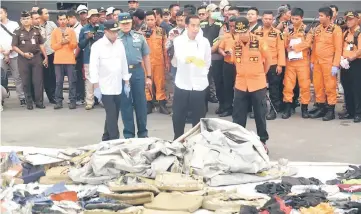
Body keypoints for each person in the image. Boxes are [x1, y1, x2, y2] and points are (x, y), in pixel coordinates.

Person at [231, 16, 271, 148]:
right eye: (239, 32)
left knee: (260, 114)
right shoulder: (235, 43)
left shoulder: (259, 41)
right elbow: (233, 61)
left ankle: (262, 141)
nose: (242, 35)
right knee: (238, 115)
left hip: (257, 83)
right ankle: (238, 140)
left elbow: (268, 60)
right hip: (241, 84)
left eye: (244, 32)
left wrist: (261, 74)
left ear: (249, 29)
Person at [89, 19, 131, 141]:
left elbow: (124, 63)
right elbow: (93, 67)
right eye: (112, 32)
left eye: (117, 32)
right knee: (112, 114)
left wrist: (126, 82)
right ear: (106, 31)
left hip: (117, 85)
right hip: (104, 87)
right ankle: (114, 140)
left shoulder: (119, 44)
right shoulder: (97, 46)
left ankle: (105, 137)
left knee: (114, 114)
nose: (115, 34)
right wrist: (95, 86)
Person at [172, 15, 211, 140]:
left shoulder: (204, 42)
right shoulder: (179, 40)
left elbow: (207, 61)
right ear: (187, 26)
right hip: (182, 83)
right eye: (193, 25)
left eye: (198, 25)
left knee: (199, 115)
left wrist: (203, 72)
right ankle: (178, 138)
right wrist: (190, 59)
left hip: (199, 84)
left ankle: (197, 140)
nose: (195, 28)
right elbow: (180, 56)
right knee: (179, 114)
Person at [118, 12, 152, 139]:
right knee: (125, 104)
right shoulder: (115, 38)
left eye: (128, 23)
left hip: (137, 72)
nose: (126, 25)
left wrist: (149, 76)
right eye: (123, 23)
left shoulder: (139, 37)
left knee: (141, 103)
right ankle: (129, 134)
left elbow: (146, 57)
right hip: (122, 73)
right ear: (119, 24)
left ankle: (143, 132)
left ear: (131, 22)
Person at [308, 7, 342, 121]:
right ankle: (321, 109)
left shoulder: (336, 29)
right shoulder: (317, 28)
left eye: (322, 16)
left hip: (329, 63)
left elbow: (338, 49)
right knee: (318, 86)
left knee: (330, 87)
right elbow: (314, 47)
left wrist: (335, 65)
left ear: (328, 17)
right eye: (319, 15)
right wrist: (312, 61)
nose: (319, 17)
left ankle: (330, 111)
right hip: (317, 63)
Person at [12, 11, 48, 110]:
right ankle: (29, 102)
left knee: (38, 81)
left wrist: (45, 56)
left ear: (31, 19)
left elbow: (41, 44)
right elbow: (14, 46)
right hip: (23, 59)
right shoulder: (17, 31)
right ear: (21, 20)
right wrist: (23, 54)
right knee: (26, 81)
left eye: (27, 18)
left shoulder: (36, 30)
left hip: (36, 58)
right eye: (24, 19)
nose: (26, 20)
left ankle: (39, 102)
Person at [254, 11, 286, 120]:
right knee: (259, 88)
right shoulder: (256, 32)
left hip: (273, 64)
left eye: (270, 19)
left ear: (273, 20)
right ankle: (260, 109)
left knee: (274, 88)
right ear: (262, 19)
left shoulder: (277, 33)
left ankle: (274, 110)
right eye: (265, 18)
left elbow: (281, 50)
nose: (267, 21)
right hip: (260, 64)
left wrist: (280, 65)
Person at [282, 8, 312, 119]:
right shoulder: (288, 29)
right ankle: (287, 108)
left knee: (305, 86)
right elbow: (284, 43)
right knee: (288, 86)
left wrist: (294, 47)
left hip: (303, 62)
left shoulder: (307, 29)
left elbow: (308, 43)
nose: (294, 21)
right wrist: (287, 47)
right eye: (292, 18)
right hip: (290, 62)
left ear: (302, 18)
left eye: (297, 19)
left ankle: (304, 108)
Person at [144, 11, 170, 115]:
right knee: (147, 84)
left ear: (156, 20)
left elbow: (165, 48)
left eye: (152, 19)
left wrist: (167, 61)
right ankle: (148, 104)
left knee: (160, 83)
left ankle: (162, 105)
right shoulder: (141, 32)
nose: (150, 22)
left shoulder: (161, 31)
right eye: (148, 20)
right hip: (146, 63)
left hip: (159, 61)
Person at [79, 9, 105, 110]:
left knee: (102, 79)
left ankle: (102, 100)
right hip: (88, 58)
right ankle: (89, 101)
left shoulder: (103, 28)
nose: (95, 18)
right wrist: (87, 37)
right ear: (89, 18)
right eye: (93, 16)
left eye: (96, 16)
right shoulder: (84, 29)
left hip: (101, 58)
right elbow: (80, 45)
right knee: (89, 80)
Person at [51, 13, 78, 109]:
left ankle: (72, 101)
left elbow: (74, 45)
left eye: (64, 19)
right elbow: (53, 46)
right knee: (58, 82)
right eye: (60, 19)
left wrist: (69, 42)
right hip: (58, 60)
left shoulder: (71, 31)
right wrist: (61, 42)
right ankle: (58, 101)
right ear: (57, 21)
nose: (62, 21)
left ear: (67, 20)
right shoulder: (55, 31)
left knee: (72, 81)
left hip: (70, 60)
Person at [0, 6, 25, 106]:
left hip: (14, 54)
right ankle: (1, 98)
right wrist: (4, 52)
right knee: (1, 78)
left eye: (1, 12)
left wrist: (9, 51)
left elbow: (17, 40)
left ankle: (22, 97)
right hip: (1, 55)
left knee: (17, 77)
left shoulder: (14, 24)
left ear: (6, 14)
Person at [202, 4, 224, 113]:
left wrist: (211, 50)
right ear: (208, 12)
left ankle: (221, 106)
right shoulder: (202, 24)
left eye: (217, 10)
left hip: (216, 57)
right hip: (203, 58)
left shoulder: (221, 24)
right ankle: (203, 106)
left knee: (218, 82)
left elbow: (220, 39)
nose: (217, 12)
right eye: (214, 10)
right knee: (204, 81)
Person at [339, 11, 361, 123]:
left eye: (351, 19)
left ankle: (358, 113)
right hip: (345, 63)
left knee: (357, 89)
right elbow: (341, 47)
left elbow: (359, 50)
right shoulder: (346, 33)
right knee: (346, 88)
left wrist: (350, 58)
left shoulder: (359, 33)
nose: (349, 21)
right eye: (347, 19)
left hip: (356, 63)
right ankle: (350, 111)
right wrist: (341, 58)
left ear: (357, 20)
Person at [218, 17, 237, 117]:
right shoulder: (226, 36)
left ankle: (240, 108)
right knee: (227, 87)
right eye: (231, 26)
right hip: (228, 64)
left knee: (240, 88)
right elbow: (220, 48)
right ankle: (228, 108)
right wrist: (223, 53)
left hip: (239, 65)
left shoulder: (242, 36)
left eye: (235, 26)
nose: (233, 28)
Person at [166, 10, 185, 108]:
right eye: (178, 20)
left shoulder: (189, 31)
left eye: (182, 20)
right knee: (175, 83)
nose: (180, 22)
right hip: (175, 62)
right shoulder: (172, 31)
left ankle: (185, 105)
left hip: (187, 62)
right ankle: (176, 105)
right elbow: (167, 46)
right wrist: (171, 40)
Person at [38, 8, 57, 104]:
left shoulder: (52, 24)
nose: (48, 15)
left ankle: (53, 96)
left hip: (52, 53)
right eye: (46, 13)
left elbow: (57, 35)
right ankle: (46, 96)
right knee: (44, 76)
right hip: (40, 54)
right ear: (40, 15)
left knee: (53, 75)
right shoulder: (36, 26)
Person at [68, 10, 85, 105]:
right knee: (73, 77)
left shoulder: (79, 29)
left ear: (74, 17)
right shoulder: (71, 28)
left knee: (78, 77)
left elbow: (79, 45)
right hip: (71, 55)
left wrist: (75, 56)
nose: (67, 21)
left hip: (77, 55)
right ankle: (74, 96)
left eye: (69, 19)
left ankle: (80, 97)